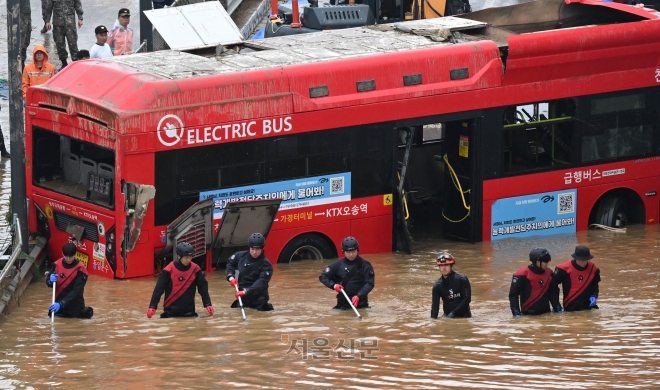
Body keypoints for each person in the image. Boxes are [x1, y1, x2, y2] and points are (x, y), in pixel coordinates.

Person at [147, 242, 214, 318]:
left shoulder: (196, 269)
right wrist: (152, 306)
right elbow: (159, 289)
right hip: (170, 312)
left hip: (189, 312)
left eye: (190, 257)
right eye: (186, 258)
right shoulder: (168, 270)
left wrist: (207, 304)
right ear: (179, 257)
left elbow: (203, 288)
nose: (189, 260)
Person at [319, 236, 375, 310]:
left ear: (357, 250)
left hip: (361, 305)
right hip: (342, 305)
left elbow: (370, 283)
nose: (351, 254)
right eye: (348, 252)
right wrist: (334, 285)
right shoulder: (337, 265)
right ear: (343, 251)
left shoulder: (365, 265)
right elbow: (323, 277)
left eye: (353, 251)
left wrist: (358, 296)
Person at [226, 233, 274, 311]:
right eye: (252, 249)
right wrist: (231, 277)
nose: (254, 252)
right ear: (249, 247)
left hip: (258, 300)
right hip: (243, 298)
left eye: (257, 249)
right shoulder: (240, 256)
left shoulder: (266, 265)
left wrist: (246, 292)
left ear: (262, 248)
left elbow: (261, 282)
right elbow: (230, 263)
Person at [46, 242, 93, 318]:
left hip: (75, 308)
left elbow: (76, 290)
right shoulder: (56, 265)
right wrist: (50, 281)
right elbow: (49, 283)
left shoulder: (81, 269)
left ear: (75, 254)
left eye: (70, 257)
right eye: (66, 256)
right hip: (58, 306)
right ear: (62, 254)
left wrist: (62, 303)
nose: (68, 259)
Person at [509, 248, 561, 316]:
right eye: (545, 262)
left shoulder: (549, 273)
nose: (547, 264)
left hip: (546, 314)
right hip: (528, 315)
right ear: (538, 262)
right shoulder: (522, 274)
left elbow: (553, 292)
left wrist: (557, 307)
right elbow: (513, 295)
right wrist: (516, 312)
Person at [553, 245, 600, 311]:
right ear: (576, 258)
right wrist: (556, 305)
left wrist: (594, 295)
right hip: (570, 308)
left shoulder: (594, 269)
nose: (585, 262)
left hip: (588, 307)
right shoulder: (563, 269)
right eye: (582, 260)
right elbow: (553, 286)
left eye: (586, 259)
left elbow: (595, 284)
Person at [42, 0, 84, 68]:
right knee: (60, 45)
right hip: (57, 24)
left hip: (70, 24)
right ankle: (64, 63)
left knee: (73, 44)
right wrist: (47, 21)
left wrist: (80, 18)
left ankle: (76, 64)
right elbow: (49, 7)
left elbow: (77, 4)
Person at [430, 251, 471, 319]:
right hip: (448, 317)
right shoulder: (437, 286)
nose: (444, 268)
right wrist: (432, 322)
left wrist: (452, 314)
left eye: (446, 265)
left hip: (464, 317)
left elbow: (467, 299)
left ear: (451, 265)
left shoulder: (462, 279)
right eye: (441, 265)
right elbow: (435, 307)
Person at [20, 0, 32, 69]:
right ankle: (20, 64)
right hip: (20, 15)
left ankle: (22, 63)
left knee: (26, 42)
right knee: (21, 42)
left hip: (27, 14)